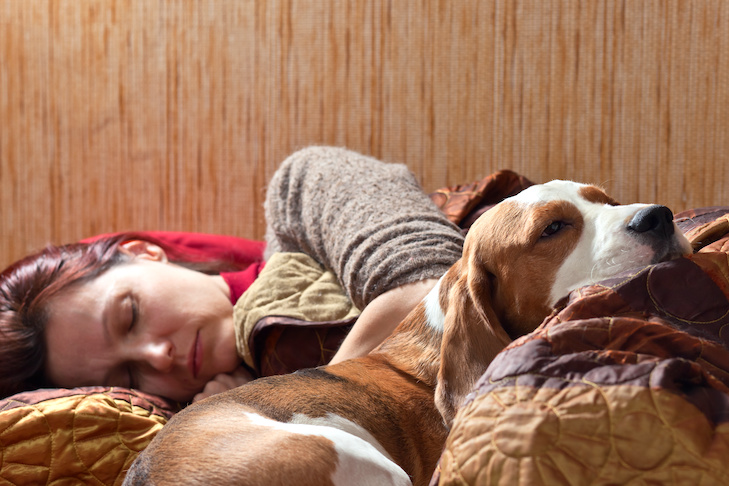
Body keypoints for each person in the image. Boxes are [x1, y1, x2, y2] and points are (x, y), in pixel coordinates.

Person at [0, 147, 464, 403]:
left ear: (144, 253)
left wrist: (276, 411)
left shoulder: (299, 192)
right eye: (129, 376)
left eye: (130, 316)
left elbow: (436, 287)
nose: (158, 356)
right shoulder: (204, 424)